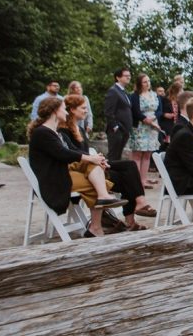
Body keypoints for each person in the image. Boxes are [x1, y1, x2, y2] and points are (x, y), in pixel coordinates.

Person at [27, 97, 124, 237]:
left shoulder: (56, 133)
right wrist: (91, 158)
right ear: (54, 111)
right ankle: (96, 225)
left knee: (93, 167)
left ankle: (99, 215)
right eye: (63, 109)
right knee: (95, 182)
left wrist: (97, 159)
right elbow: (62, 154)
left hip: (63, 174)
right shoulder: (41, 133)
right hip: (53, 180)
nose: (66, 113)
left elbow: (75, 151)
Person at [60, 94, 155, 230]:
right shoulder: (63, 130)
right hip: (84, 169)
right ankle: (134, 215)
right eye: (83, 108)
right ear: (73, 110)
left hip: (91, 164)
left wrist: (99, 159)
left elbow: (84, 152)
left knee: (129, 166)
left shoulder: (79, 128)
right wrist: (96, 160)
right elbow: (74, 154)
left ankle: (138, 205)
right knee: (127, 176)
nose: (86, 111)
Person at [128, 74, 162, 188]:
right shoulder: (134, 95)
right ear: (139, 84)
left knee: (148, 154)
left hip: (152, 127)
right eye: (144, 82)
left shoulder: (154, 95)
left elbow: (159, 110)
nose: (148, 84)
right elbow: (135, 111)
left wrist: (153, 119)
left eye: (148, 81)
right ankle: (136, 181)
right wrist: (147, 120)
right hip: (140, 126)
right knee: (137, 154)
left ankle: (144, 179)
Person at [104, 67, 133, 162]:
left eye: (129, 75)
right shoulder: (113, 91)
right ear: (118, 77)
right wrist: (115, 127)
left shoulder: (123, 91)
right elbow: (108, 111)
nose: (129, 77)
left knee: (118, 156)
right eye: (126, 76)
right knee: (113, 156)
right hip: (117, 131)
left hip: (124, 130)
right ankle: (109, 176)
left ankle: (115, 176)